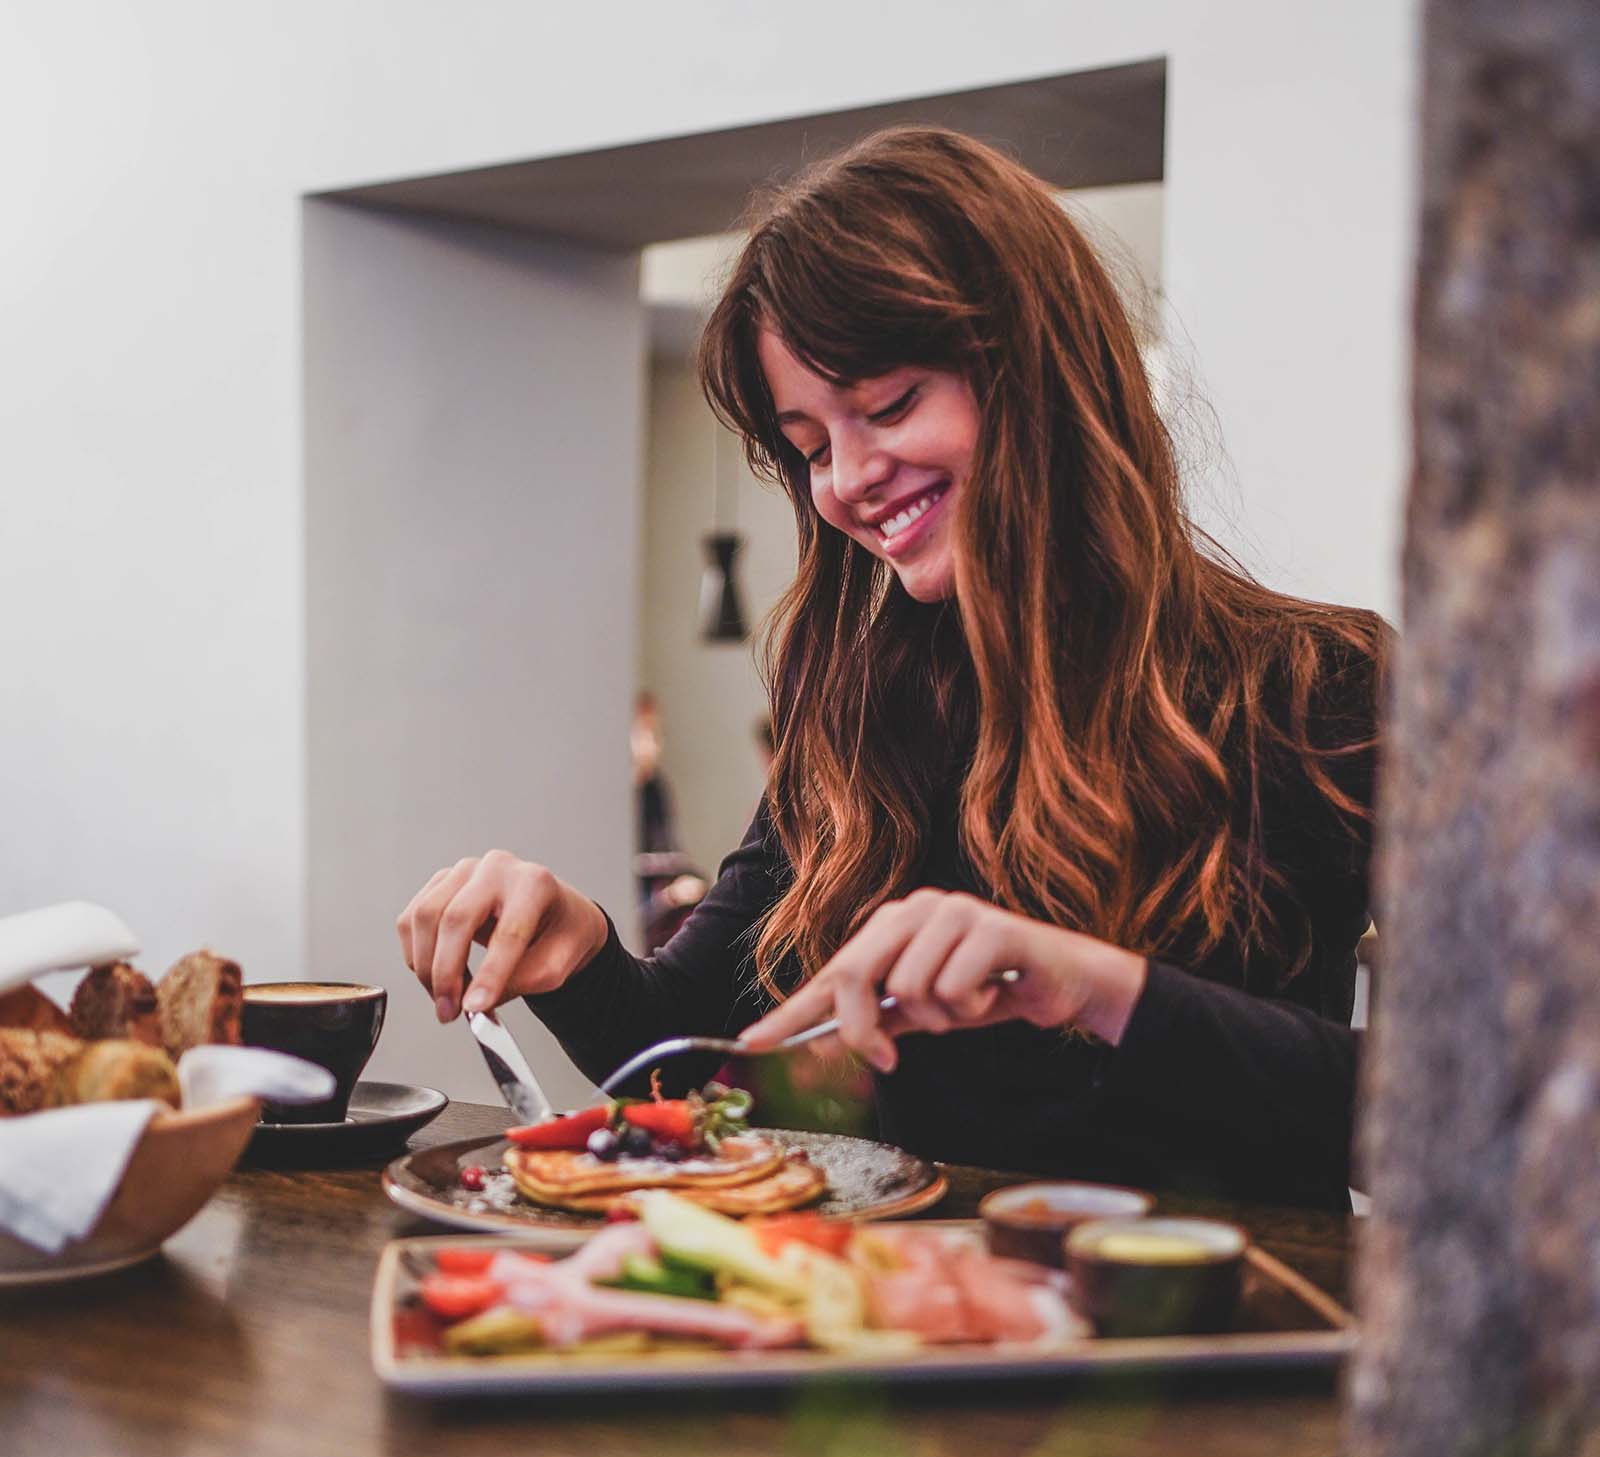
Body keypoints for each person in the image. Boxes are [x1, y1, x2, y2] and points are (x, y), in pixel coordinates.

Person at [397, 127, 1388, 1211]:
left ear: (1040, 377)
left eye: (889, 404)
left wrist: (1096, 988)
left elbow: (1477, 1122)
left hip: (1221, 1354)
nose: (851, 480)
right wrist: (580, 955)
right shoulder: (860, 711)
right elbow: (715, 1070)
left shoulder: (1321, 687)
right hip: (903, 1352)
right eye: (812, 446)